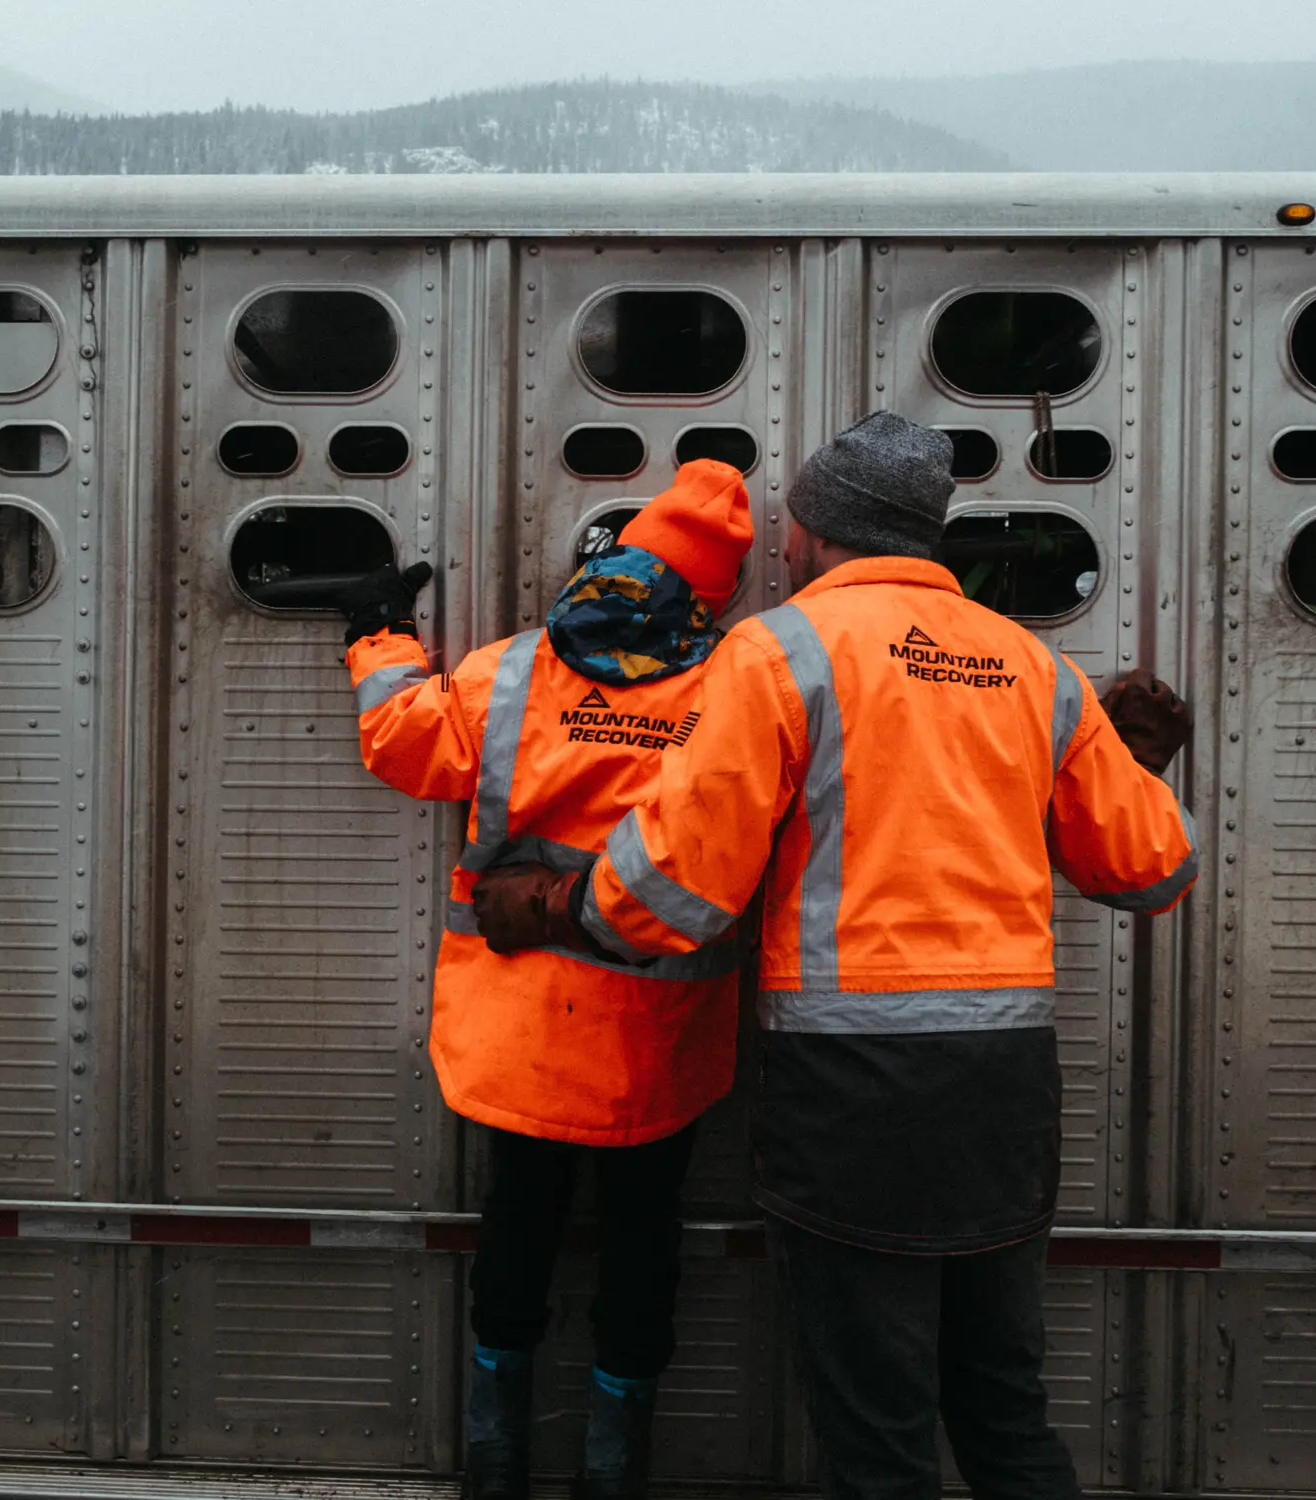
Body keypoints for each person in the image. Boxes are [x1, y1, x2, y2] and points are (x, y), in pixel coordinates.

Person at [470, 413, 1197, 1500]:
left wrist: (547, 903)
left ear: (809, 533)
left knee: (876, 1430)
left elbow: (664, 898)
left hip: (855, 1092)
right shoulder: (1030, 667)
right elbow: (1153, 870)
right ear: (924, 536)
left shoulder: (782, 652)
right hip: (1005, 1092)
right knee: (1001, 1409)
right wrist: (1130, 769)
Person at [338, 461, 758, 1500]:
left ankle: (494, 1459)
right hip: (657, 1043)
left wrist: (379, 633)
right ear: (717, 594)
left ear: (622, 555)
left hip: (516, 1032)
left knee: (516, 1231)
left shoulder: (517, 669)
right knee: (640, 1244)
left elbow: (401, 743)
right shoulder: (729, 691)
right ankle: (613, 1468)